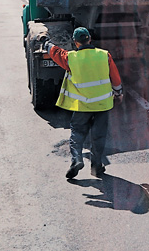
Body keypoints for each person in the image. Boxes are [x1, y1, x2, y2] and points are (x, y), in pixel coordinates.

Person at [44, 27, 123, 179]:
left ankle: (76, 160)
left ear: (76, 42)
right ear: (90, 39)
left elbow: (56, 53)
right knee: (99, 135)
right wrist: (119, 93)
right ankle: (96, 166)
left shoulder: (71, 58)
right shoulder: (104, 55)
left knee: (77, 133)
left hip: (82, 106)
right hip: (103, 104)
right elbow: (115, 77)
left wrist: (46, 43)